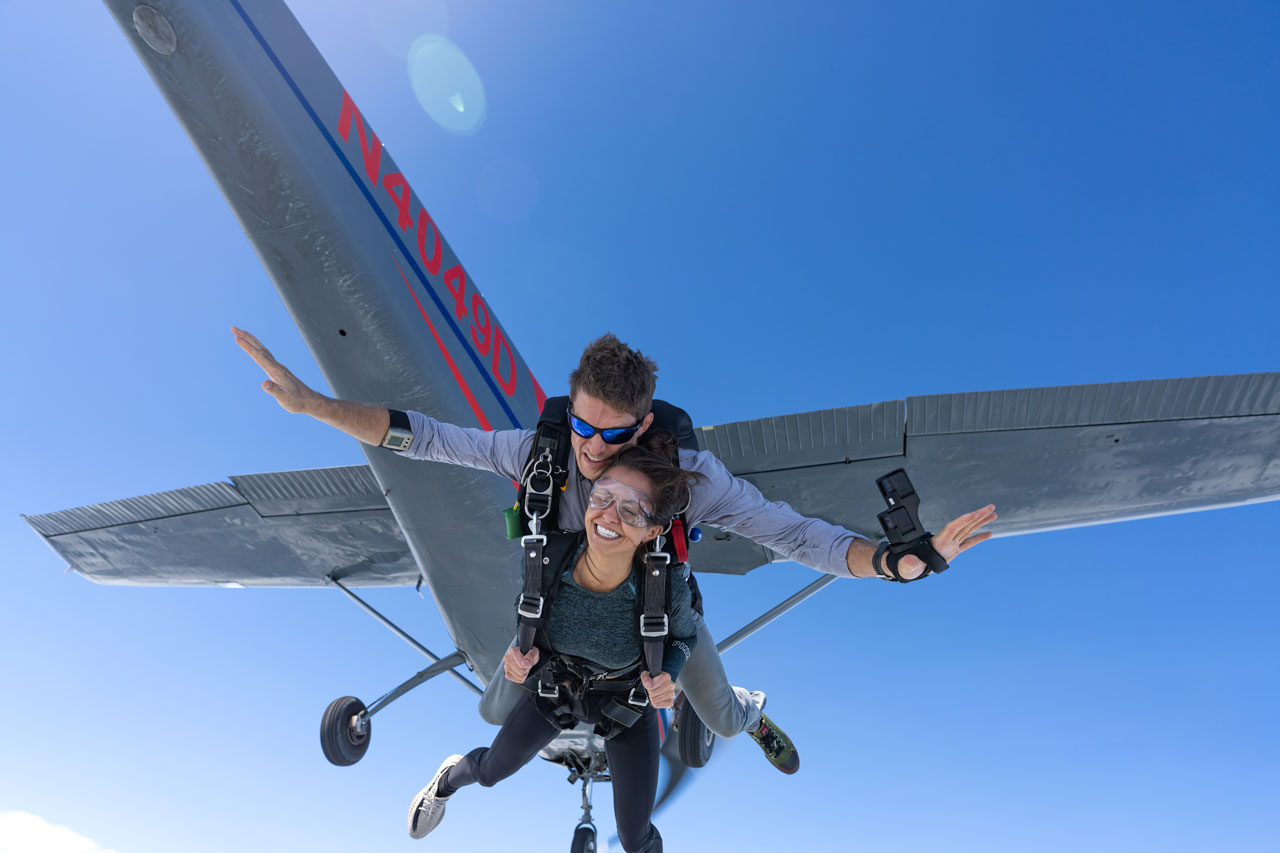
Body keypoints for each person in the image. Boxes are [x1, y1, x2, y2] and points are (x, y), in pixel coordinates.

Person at [233, 326, 997, 774]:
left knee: (722, 724)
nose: (591, 449)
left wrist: (896, 561)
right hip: (563, 614)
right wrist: (314, 405)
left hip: (656, 617)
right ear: (570, 409)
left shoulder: (692, 479)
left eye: (612, 434)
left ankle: (752, 712)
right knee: (492, 703)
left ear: (640, 428)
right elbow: (427, 436)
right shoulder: (538, 450)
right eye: (582, 427)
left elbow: (795, 534)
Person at [407, 444, 699, 850]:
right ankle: (446, 781)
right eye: (602, 498)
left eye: (631, 511)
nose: (609, 516)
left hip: (627, 709)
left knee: (635, 838)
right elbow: (529, 620)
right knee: (489, 772)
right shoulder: (548, 560)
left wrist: (669, 671)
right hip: (555, 695)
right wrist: (520, 657)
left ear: (653, 531)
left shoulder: (665, 588)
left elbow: (686, 638)